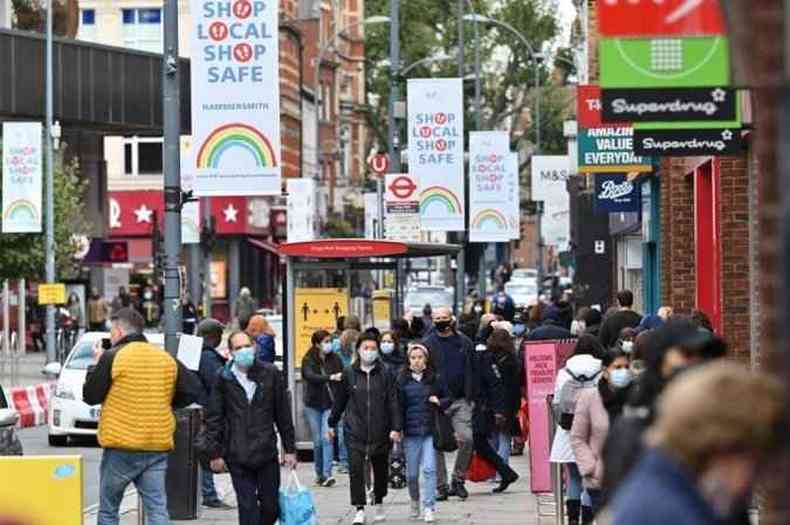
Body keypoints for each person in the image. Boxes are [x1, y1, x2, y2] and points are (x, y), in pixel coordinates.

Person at [609, 363, 782, 525]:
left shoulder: (660, 492)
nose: (757, 479)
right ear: (722, 446)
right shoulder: (673, 513)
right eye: (756, 462)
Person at [83, 308, 201, 525]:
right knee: (157, 509)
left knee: (109, 509)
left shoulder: (113, 357)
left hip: (121, 447)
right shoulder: (165, 358)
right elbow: (193, 389)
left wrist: (96, 363)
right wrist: (166, 402)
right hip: (156, 446)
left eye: (111, 332)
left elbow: (90, 395)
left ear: (118, 331)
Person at [205, 331, 297, 525]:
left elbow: (282, 414)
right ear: (230, 352)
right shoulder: (223, 378)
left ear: (254, 347)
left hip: (266, 452)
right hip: (238, 454)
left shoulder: (270, 373)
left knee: (271, 507)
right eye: (238, 348)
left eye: (247, 346)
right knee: (248, 510)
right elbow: (214, 418)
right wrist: (214, 453)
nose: (244, 351)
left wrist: (290, 449)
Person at [328, 332, 402, 525]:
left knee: (380, 469)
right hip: (355, 429)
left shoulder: (386, 373)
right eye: (365, 348)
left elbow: (393, 402)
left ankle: (378, 501)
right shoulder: (349, 373)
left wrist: (396, 427)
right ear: (358, 350)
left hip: (380, 429)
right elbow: (340, 401)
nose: (369, 352)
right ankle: (359, 508)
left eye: (372, 348)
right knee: (356, 470)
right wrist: (331, 423)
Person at [422, 307, 477, 501]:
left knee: (467, 439)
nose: (441, 321)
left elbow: (473, 369)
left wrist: (473, 396)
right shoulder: (427, 344)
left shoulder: (464, 342)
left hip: (461, 399)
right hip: (436, 402)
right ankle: (441, 486)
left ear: (451, 319)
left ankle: (458, 479)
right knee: (437, 445)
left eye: (444, 318)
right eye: (437, 318)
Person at [549, 335, 604, 525]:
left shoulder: (564, 371)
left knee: (573, 476)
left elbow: (557, 403)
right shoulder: (602, 369)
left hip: (569, 430)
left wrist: (563, 423)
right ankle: (587, 520)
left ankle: (572, 519)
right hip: (594, 430)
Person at [569, 347, 632, 515]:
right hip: (600, 480)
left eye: (627, 367)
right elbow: (577, 437)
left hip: (632, 479)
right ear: (605, 371)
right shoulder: (590, 397)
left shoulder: (636, 396)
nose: (623, 372)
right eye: (617, 368)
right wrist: (591, 468)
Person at [397, 343, 450, 523]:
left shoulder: (435, 378)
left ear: (426, 360)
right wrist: (396, 428)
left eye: (420, 357)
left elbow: (449, 398)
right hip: (410, 433)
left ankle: (429, 506)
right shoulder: (402, 380)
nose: (417, 361)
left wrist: (439, 401)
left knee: (429, 469)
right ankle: (415, 500)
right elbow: (397, 407)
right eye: (413, 358)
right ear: (408, 360)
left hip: (429, 431)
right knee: (412, 475)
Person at [195, 318, 233, 510]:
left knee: (203, 451)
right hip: (207, 411)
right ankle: (209, 494)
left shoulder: (197, 353)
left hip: (200, 409)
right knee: (207, 450)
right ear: (212, 336)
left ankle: (207, 493)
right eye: (219, 335)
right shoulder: (208, 357)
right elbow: (217, 383)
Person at [301, 329, 344, 487]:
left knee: (327, 438)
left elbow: (343, 375)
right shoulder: (308, 359)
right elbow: (309, 376)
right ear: (317, 344)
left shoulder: (335, 358)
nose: (329, 344)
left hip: (329, 404)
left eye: (330, 341)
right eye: (325, 341)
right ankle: (319, 473)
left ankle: (327, 474)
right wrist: (329, 377)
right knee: (317, 441)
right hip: (312, 404)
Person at [487, 328, 523, 479]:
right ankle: (502, 471)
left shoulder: (488, 358)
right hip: (508, 403)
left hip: (490, 402)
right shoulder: (513, 360)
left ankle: (493, 470)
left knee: (492, 438)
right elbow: (517, 385)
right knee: (505, 439)